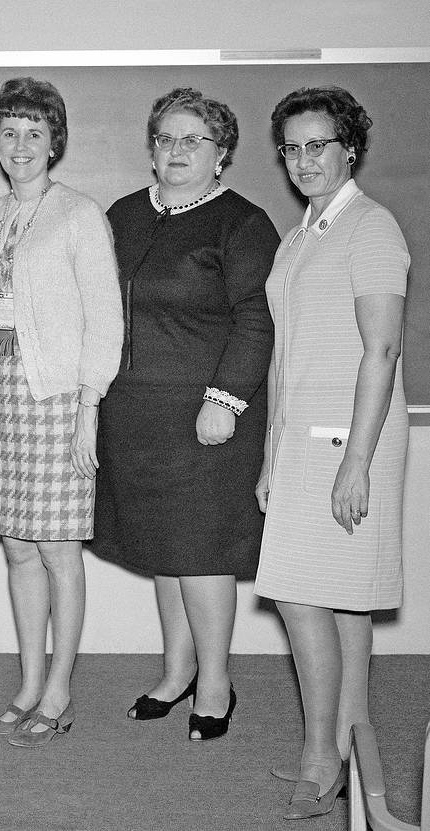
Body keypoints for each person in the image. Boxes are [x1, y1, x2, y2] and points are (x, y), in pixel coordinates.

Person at [91, 88, 279, 741]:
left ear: (220, 153)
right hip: (134, 415)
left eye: (192, 140)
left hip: (207, 418)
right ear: (150, 148)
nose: (176, 151)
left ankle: (217, 683)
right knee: (163, 551)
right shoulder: (120, 214)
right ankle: (175, 672)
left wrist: (224, 400)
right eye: (166, 139)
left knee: (199, 552)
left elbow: (256, 319)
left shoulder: (241, 223)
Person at [256, 87, 409, 821]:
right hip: (301, 438)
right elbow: (286, 355)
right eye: (291, 147)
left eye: (318, 144)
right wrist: (267, 454)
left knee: (300, 595)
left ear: (349, 147)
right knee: (339, 603)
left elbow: (380, 349)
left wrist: (356, 460)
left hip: (352, 438)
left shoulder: (370, 228)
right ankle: (347, 744)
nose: (303, 159)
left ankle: (322, 753)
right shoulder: (302, 235)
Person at [0, 78, 123, 746]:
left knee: (57, 548)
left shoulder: (79, 214)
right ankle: (27, 682)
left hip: (56, 398)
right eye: (9, 131)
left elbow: (104, 318)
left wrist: (89, 405)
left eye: (34, 132)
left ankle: (58, 690)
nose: (20, 145)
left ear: (54, 141)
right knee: (17, 550)